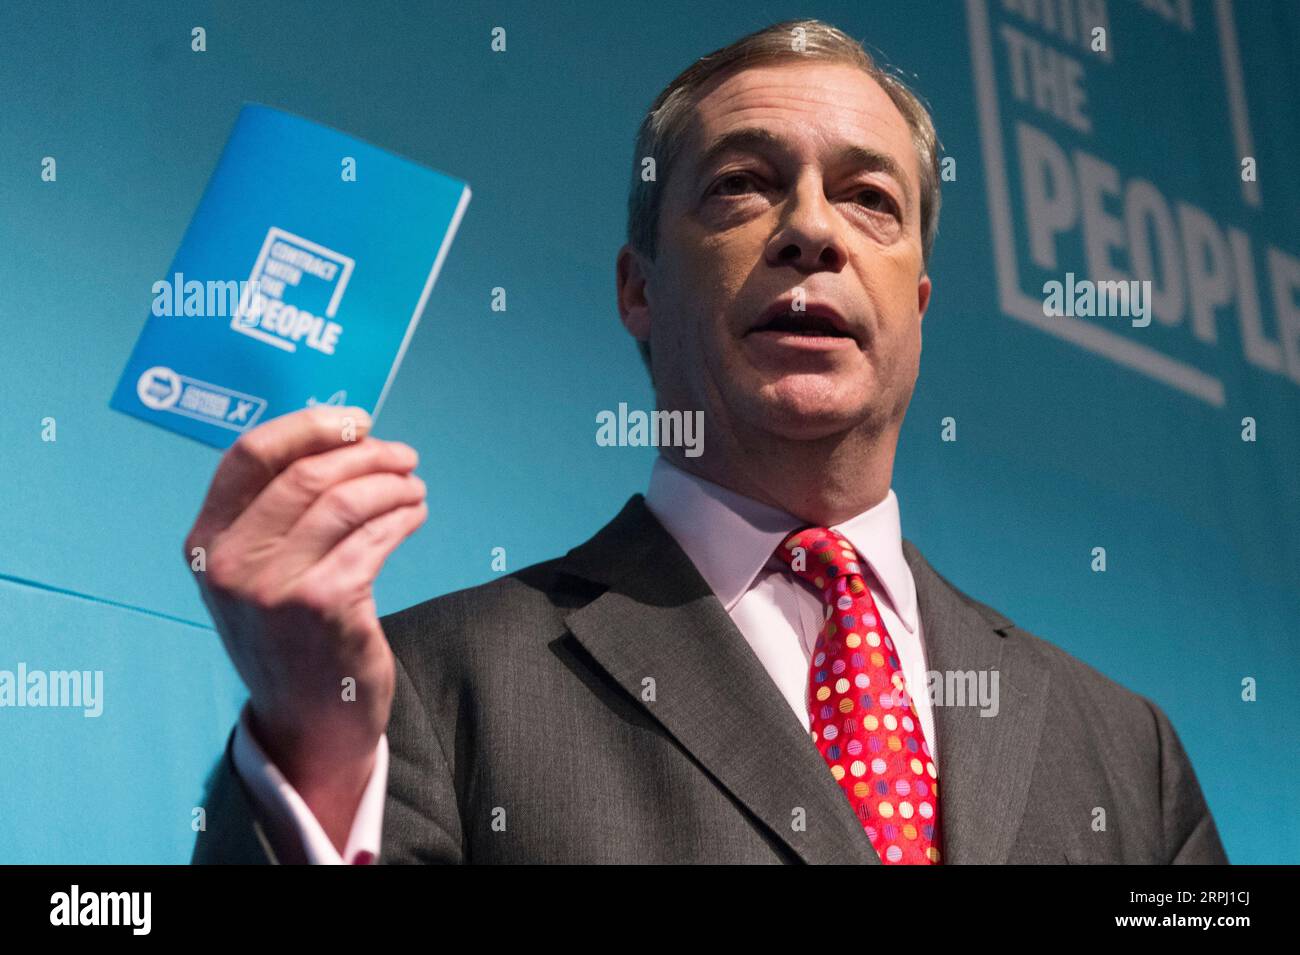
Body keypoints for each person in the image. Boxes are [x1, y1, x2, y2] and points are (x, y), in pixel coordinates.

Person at [189, 19, 1228, 864]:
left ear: (917, 303)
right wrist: (316, 751)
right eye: (741, 184)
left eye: (870, 199)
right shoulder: (429, 687)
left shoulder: (1125, 752)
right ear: (637, 288)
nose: (811, 230)